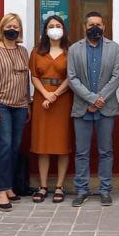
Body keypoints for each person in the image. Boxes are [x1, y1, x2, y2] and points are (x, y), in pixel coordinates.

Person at [67, 11, 119, 207]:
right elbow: (72, 78)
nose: (95, 28)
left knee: (106, 151)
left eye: (98, 24)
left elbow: (116, 76)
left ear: (104, 27)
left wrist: (100, 99)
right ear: (84, 27)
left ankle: (105, 190)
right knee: (82, 152)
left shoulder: (114, 48)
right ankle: (81, 190)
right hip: (82, 108)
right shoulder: (74, 49)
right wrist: (92, 99)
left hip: (106, 109)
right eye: (91, 25)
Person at [0, 13, 31, 211]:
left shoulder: (23, 51)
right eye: (10, 26)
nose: (13, 29)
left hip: (19, 106)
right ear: (2, 28)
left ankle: (8, 185)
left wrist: (28, 104)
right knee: (3, 145)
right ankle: (0, 189)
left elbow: (25, 80)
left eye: (16, 27)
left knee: (14, 147)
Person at [29, 13, 73, 204]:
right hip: (41, 98)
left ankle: (60, 186)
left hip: (63, 99)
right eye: (51, 26)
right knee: (43, 145)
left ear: (63, 29)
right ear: (45, 30)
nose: (55, 29)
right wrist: (46, 94)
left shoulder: (70, 51)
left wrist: (55, 95)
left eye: (58, 25)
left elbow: (72, 77)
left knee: (62, 144)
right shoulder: (37, 51)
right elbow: (33, 76)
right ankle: (43, 185)